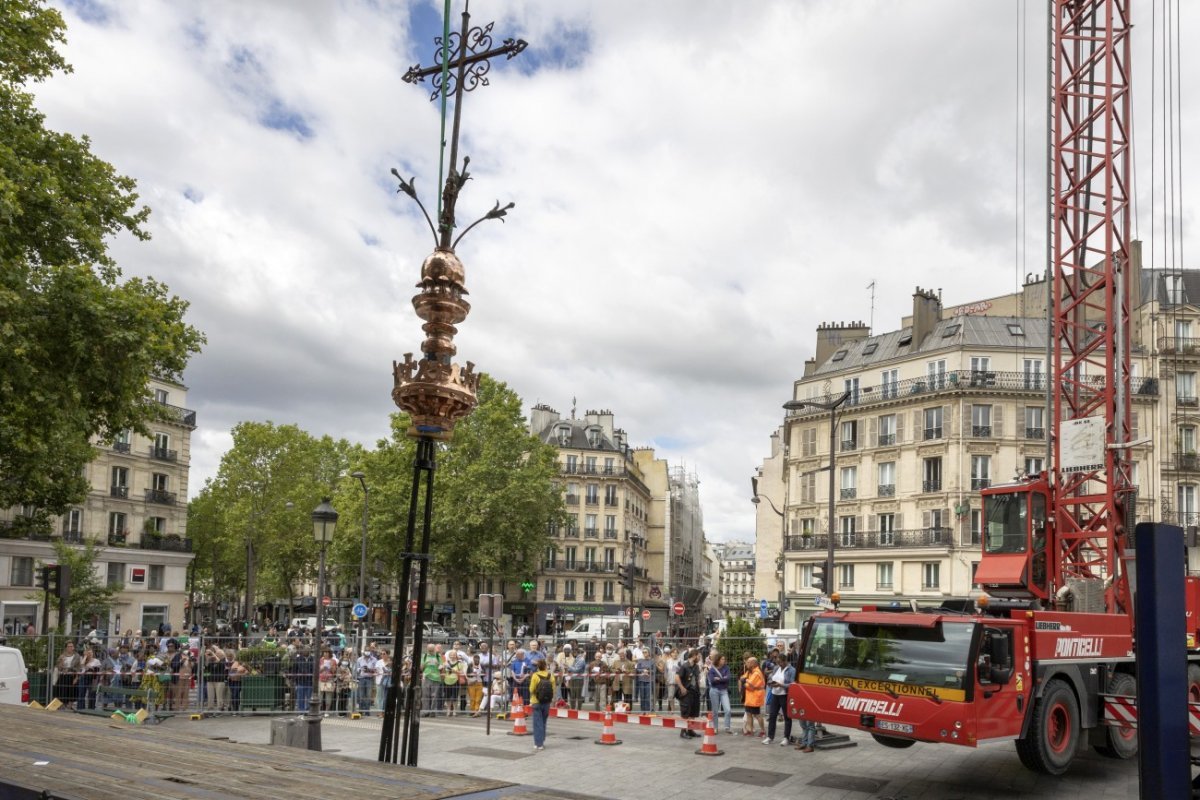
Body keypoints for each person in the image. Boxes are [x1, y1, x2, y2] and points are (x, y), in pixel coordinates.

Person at [764, 650, 795, 745]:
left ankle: (786, 737)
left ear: (785, 661)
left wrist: (781, 685)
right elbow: (771, 677)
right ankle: (770, 737)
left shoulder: (792, 670)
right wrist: (770, 683)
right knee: (772, 716)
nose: (779, 664)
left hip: (784, 695)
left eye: (781, 662)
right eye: (778, 662)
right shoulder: (776, 668)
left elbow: (792, 684)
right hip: (775, 694)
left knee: (787, 717)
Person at [674, 649, 701, 739]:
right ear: (693, 656)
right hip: (687, 692)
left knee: (693, 713)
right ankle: (683, 731)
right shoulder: (684, 666)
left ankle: (690, 730)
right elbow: (677, 677)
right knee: (685, 712)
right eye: (698, 656)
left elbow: (697, 679)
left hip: (695, 692)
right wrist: (682, 688)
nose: (699, 657)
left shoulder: (696, 667)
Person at [528, 657, 554, 751]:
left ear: (538, 667)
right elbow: (553, 689)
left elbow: (531, 689)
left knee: (537, 723)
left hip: (536, 701)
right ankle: (542, 740)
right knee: (543, 722)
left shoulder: (535, 675)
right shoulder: (550, 676)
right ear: (546, 666)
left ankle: (538, 744)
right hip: (546, 702)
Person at [707, 652, 733, 734]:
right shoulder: (712, 669)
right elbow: (712, 681)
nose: (724, 660)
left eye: (724, 659)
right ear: (718, 660)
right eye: (722, 659)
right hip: (714, 690)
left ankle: (727, 727)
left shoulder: (726, 668)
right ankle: (715, 728)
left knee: (728, 710)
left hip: (724, 690)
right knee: (715, 711)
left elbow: (728, 678)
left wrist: (719, 679)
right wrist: (722, 679)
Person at [742, 656, 767, 737]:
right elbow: (742, 678)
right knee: (749, 713)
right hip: (750, 697)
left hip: (755, 697)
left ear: (753, 663)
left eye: (748, 662)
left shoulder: (756, 673)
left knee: (757, 715)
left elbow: (749, 685)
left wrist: (745, 682)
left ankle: (763, 731)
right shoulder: (750, 671)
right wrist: (745, 681)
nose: (746, 664)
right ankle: (750, 730)